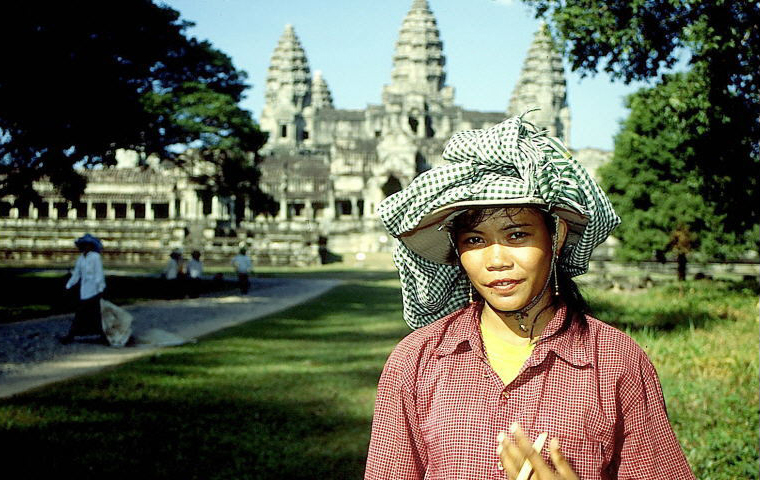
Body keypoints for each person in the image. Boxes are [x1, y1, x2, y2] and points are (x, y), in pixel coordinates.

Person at [365, 113, 696, 479]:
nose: (496, 261)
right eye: (474, 240)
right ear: (456, 250)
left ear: (556, 237)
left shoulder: (616, 363)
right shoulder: (415, 361)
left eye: (517, 235)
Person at [61, 233, 106, 344]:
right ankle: (74, 335)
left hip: (94, 290)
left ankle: (102, 335)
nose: (85, 247)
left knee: (94, 314)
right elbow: (76, 274)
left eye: (87, 245)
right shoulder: (81, 259)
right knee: (85, 314)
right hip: (84, 290)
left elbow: (99, 274)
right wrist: (69, 285)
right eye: (84, 245)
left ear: (91, 246)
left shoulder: (95, 257)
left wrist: (100, 289)